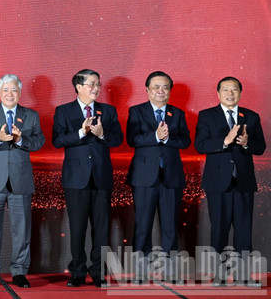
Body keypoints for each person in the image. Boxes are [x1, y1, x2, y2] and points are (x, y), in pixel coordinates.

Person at [52, 69, 123, 287]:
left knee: (102, 229)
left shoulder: (108, 111)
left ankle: (99, 272)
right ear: (79, 87)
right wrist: (81, 132)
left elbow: (118, 139)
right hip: (75, 179)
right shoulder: (64, 111)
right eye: (91, 84)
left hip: (101, 178)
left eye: (98, 84)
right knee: (78, 227)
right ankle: (78, 272)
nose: (96, 88)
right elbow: (57, 140)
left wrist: (101, 134)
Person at [0, 74, 45, 289]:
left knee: (22, 229)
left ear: (20, 93)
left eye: (14, 90)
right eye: (6, 89)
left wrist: (20, 139)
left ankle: (19, 271)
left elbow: (39, 141)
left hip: (20, 180)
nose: (9, 94)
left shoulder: (30, 115)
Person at [194, 77, 266, 255]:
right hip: (217, 183)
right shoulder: (206, 115)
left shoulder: (251, 116)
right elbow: (200, 145)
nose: (230, 93)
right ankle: (220, 273)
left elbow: (261, 147)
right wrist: (224, 141)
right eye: (225, 89)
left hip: (243, 181)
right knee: (219, 230)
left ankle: (243, 273)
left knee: (244, 230)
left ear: (240, 93)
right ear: (218, 93)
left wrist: (247, 143)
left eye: (234, 89)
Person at [126, 72, 190, 265]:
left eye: (165, 87)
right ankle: (141, 264)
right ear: (147, 90)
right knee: (143, 224)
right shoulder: (136, 111)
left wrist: (168, 138)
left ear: (170, 90)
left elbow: (186, 141)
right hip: (144, 176)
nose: (161, 91)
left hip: (171, 176)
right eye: (156, 87)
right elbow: (132, 139)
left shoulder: (177, 113)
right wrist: (155, 136)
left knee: (170, 224)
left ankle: (170, 264)